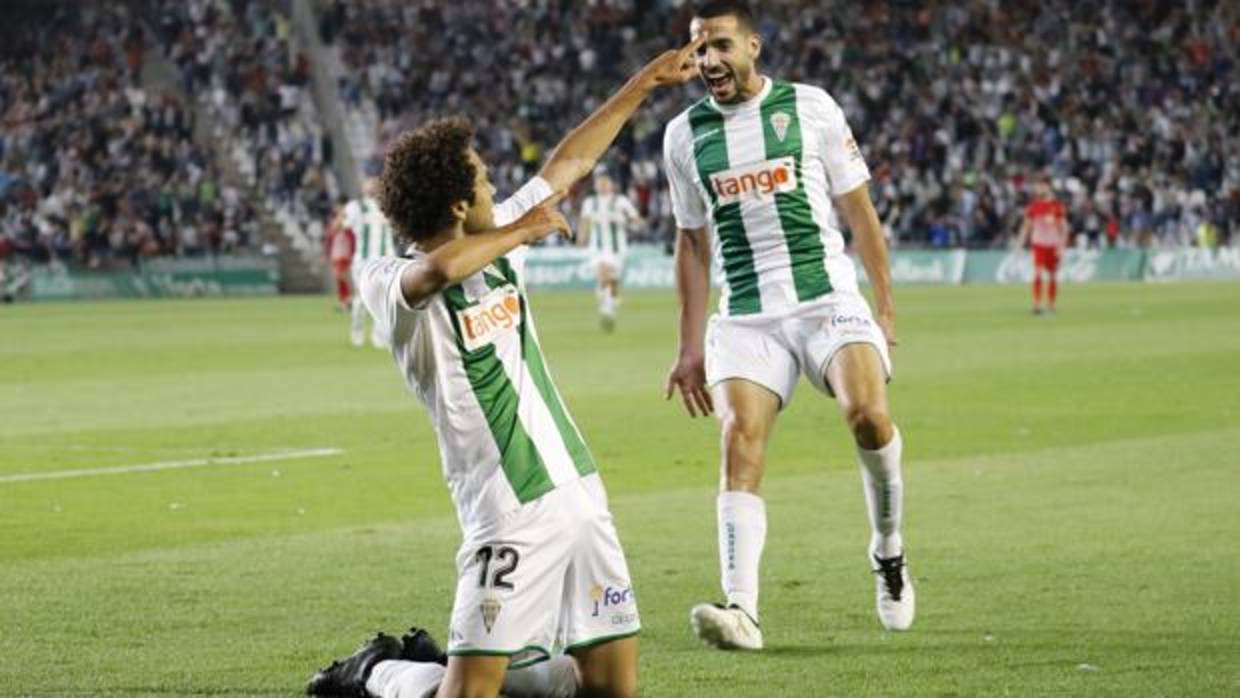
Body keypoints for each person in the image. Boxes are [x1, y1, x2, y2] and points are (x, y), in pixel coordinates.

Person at [307, 35, 705, 698]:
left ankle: (448, 663)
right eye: (487, 179)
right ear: (461, 204)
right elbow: (437, 270)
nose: (501, 186)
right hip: (506, 512)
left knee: (605, 686)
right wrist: (524, 231)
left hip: (579, 493)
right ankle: (380, 671)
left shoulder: (495, 232)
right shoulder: (387, 278)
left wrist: (646, 83)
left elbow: (569, 162)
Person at [661, 1, 914, 651]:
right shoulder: (684, 135)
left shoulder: (812, 107)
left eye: (718, 45)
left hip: (826, 297)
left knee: (868, 417)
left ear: (753, 46)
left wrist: (883, 306)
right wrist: (688, 346)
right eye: (696, 50)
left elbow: (859, 210)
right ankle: (741, 608)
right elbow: (691, 246)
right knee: (738, 438)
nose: (706, 61)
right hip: (746, 315)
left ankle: (888, 550)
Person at [578, 170, 642, 331]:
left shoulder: (621, 201)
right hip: (597, 248)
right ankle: (606, 306)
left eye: (605, 182)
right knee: (603, 273)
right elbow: (584, 222)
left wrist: (625, 220)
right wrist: (581, 239)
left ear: (612, 185)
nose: (602, 185)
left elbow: (637, 221)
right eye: (599, 182)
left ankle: (610, 306)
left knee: (613, 282)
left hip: (617, 249)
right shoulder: (590, 202)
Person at [343, 178, 395, 346]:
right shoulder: (355, 207)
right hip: (363, 261)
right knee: (362, 298)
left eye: (374, 184)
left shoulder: (388, 206)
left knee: (383, 299)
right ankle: (357, 330)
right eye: (368, 184)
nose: (371, 187)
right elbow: (344, 225)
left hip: (385, 259)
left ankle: (378, 336)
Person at [1016, 175, 1069, 315]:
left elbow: (1064, 228)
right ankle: (1036, 304)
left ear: (1048, 186)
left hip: (1053, 244)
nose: (1038, 188)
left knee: (1052, 275)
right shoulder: (1034, 206)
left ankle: (1051, 304)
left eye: (1041, 185)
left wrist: (1062, 247)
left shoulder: (1057, 206)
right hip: (1038, 244)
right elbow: (1026, 226)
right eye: (1037, 186)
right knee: (1038, 272)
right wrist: (1020, 243)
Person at [323, 196, 355, 313]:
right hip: (335, 253)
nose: (337, 208)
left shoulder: (348, 219)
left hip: (344, 252)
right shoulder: (336, 219)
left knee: (341, 276)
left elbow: (347, 232)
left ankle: (350, 299)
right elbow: (330, 235)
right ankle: (344, 302)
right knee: (338, 278)